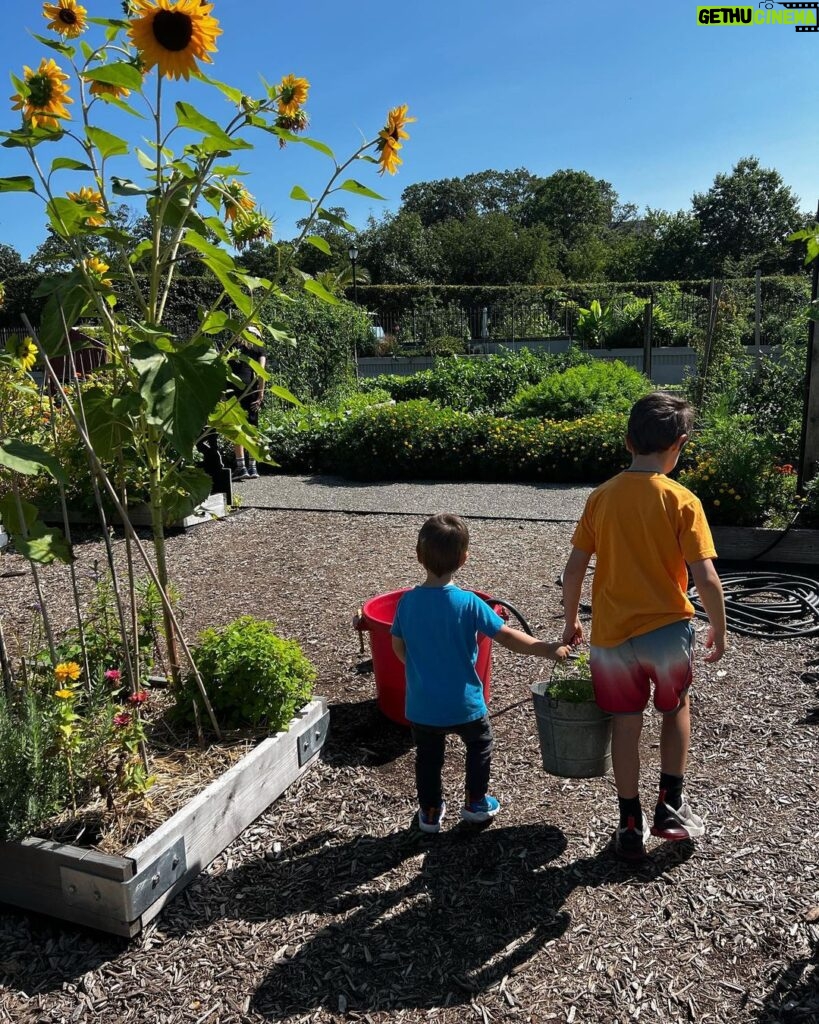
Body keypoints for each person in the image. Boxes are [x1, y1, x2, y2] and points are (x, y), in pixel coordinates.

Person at [561, 392, 727, 861]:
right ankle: (670, 805)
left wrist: (572, 622)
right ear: (679, 443)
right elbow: (706, 576)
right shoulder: (682, 500)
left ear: (628, 441)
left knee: (626, 724)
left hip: (612, 637)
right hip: (668, 631)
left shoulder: (602, 497)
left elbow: (573, 571)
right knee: (674, 709)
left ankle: (629, 821)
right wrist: (720, 626)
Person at [391, 513, 570, 834]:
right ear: (464, 559)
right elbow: (506, 636)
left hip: (422, 706)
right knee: (479, 744)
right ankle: (475, 802)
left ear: (418, 556)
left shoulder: (407, 603)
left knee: (428, 758)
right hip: (464, 704)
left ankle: (430, 811)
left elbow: (398, 647)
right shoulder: (469, 603)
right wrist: (546, 647)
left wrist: (419, 671)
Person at [228, 325, 266, 481]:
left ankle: (241, 466)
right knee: (252, 428)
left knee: (237, 427)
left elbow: (226, 368)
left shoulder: (234, 346)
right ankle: (253, 467)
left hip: (234, 389)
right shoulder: (260, 348)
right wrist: (261, 393)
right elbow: (262, 372)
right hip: (251, 389)